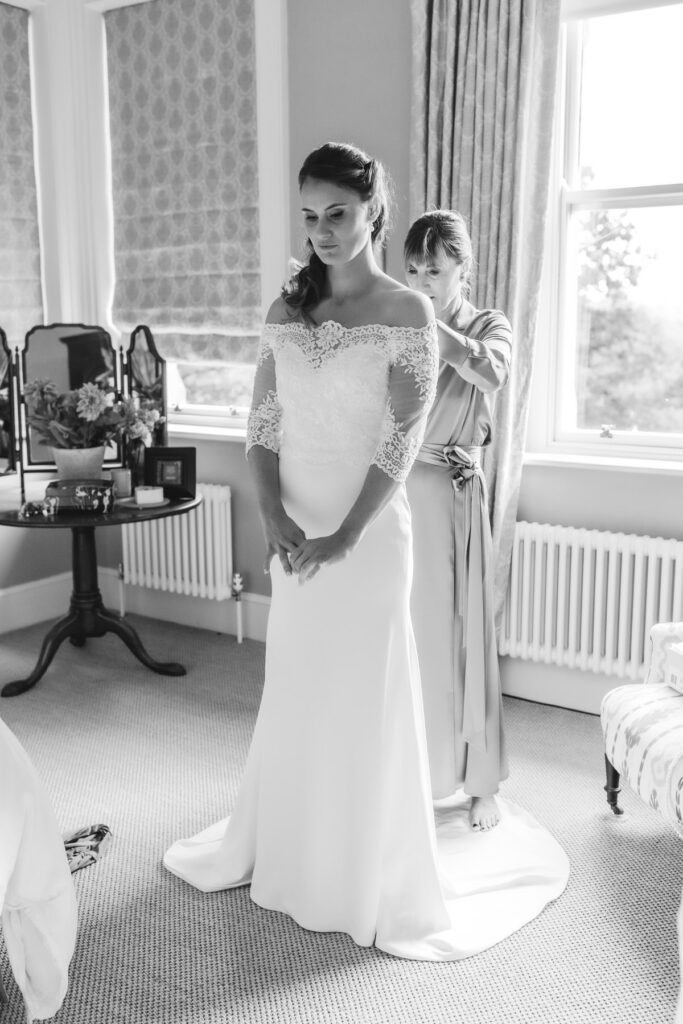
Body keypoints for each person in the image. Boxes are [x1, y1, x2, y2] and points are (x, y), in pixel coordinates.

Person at [164, 143, 568, 960]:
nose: (321, 231)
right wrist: (271, 515)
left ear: (372, 211)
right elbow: (263, 426)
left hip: (368, 532)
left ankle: (361, 867)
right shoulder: (286, 312)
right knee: (299, 684)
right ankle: (290, 845)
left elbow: (399, 438)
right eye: (309, 216)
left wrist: (345, 533)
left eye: (337, 214)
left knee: (364, 688)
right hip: (294, 526)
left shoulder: (408, 313)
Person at [404, 209, 512, 832]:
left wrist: (431, 329)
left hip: (452, 491)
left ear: (461, 269)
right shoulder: (399, 321)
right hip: (397, 492)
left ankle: (479, 781)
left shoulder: (486, 324)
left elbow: (491, 371)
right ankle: (413, 770)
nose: (421, 281)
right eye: (413, 269)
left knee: (464, 632)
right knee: (409, 636)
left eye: (435, 270)